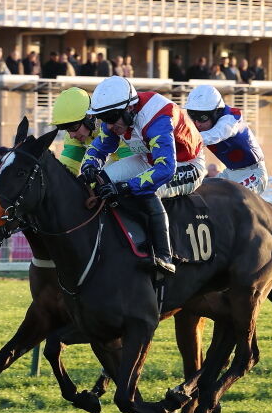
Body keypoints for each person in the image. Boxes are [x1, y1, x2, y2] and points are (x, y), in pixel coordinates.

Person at [79, 76, 206, 275]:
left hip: (187, 164)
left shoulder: (157, 119)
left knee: (145, 189)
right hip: (148, 158)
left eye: (111, 118)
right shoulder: (116, 115)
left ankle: (165, 255)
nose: (108, 125)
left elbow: (165, 169)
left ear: (130, 108)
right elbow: (98, 149)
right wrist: (89, 166)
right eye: (103, 119)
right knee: (102, 180)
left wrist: (126, 186)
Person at [184, 84, 268, 193]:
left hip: (254, 173)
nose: (197, 123)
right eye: (192, 116)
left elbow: (213, 135)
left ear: (216, 112)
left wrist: (183, 140)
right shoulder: (201, 123)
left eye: (202, 117)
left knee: (230, 202)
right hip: (229, 173)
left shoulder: (231, 119)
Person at [51, 87, 134, 176]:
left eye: (73, 127)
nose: (71, 135)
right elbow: (66, 172)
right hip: (117, 158)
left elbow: (131, 165)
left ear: (89, 116)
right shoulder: (73, 134)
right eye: (67, 129)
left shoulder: (112, 124)